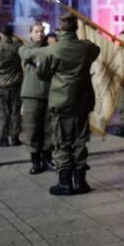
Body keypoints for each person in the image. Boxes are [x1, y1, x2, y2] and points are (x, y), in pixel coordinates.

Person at [34, 12, 101, 195]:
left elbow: (42, 74)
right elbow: (96, 50)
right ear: (76, 28)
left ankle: (65, 184)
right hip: (82, 101)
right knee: (80, 141)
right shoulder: (87, 48)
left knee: (62, 142)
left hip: (62, 102)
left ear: (60, 28)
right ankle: (80, 183)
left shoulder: (52, 50)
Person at [20, 22, 53, 174]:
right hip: (31, 94)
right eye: (36, 31)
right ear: (30, 33)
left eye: (42, 31)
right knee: (32, 129)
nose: (40, 34)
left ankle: (47, 160)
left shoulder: (49, 49)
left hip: (48, 93)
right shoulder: (25, 48)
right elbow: (28, 55)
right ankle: (35, 162)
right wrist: (47, 52)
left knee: (48, 130)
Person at [0, 25, 23, 147]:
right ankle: (15, 137)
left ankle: (3, 137)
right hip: (16, 84)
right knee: (15, 112)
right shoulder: (18, 47)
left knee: (2, 112)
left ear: (1, 33)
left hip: (1, 85)